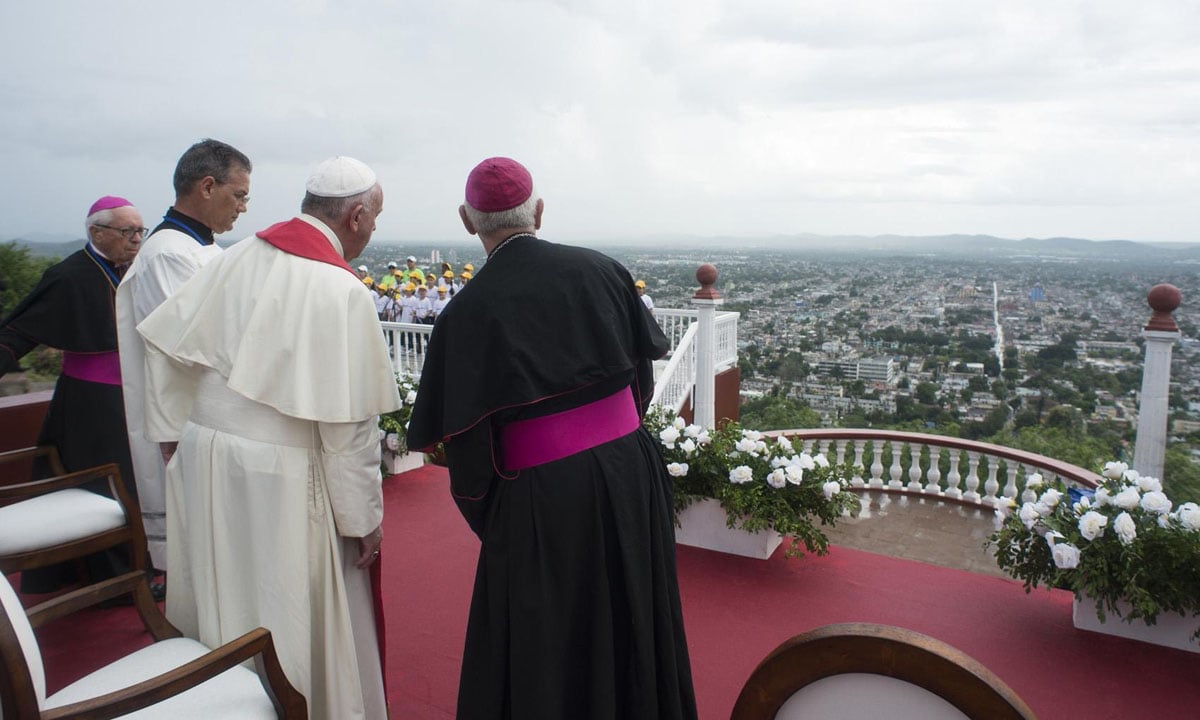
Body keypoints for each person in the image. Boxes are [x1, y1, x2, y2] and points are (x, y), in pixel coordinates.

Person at [407, 157, 697, 720]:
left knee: (550, 639)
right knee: (635, 607)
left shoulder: (465, 314)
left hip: (539, 497)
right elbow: (639, 377)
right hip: (629, 468)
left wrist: (498, 515)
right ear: (538, 211)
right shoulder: (604, 270)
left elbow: (465, 452)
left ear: (468, 222)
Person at [137, 156, 398, 720]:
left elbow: (169, 350)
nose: (373, 229)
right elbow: (349, 428)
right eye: (374, 218)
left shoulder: (230, 259)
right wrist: (363, 519)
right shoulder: (341, 289)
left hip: (207, 455)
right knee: (286, 614)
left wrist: (175, 436)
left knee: (226, 595)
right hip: (280, 474)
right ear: (354, 215)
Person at [116, 138, 252, 576]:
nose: (243, 208)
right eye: (240, 195)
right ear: (207, 186)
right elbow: (192, 348)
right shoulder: (169, 253)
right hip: (195, 421)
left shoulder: (202, 247)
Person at [0, 196, 146, 591]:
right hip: (91, 403)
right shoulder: (69, 275)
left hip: (131, 398)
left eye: (139, 231)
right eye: (126, 231)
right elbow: (18, 333)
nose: (135, 240)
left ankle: (129, 570)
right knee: (108, 488)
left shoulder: (133, 270)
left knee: (133, 483)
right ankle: (114, 583)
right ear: (96, 232)